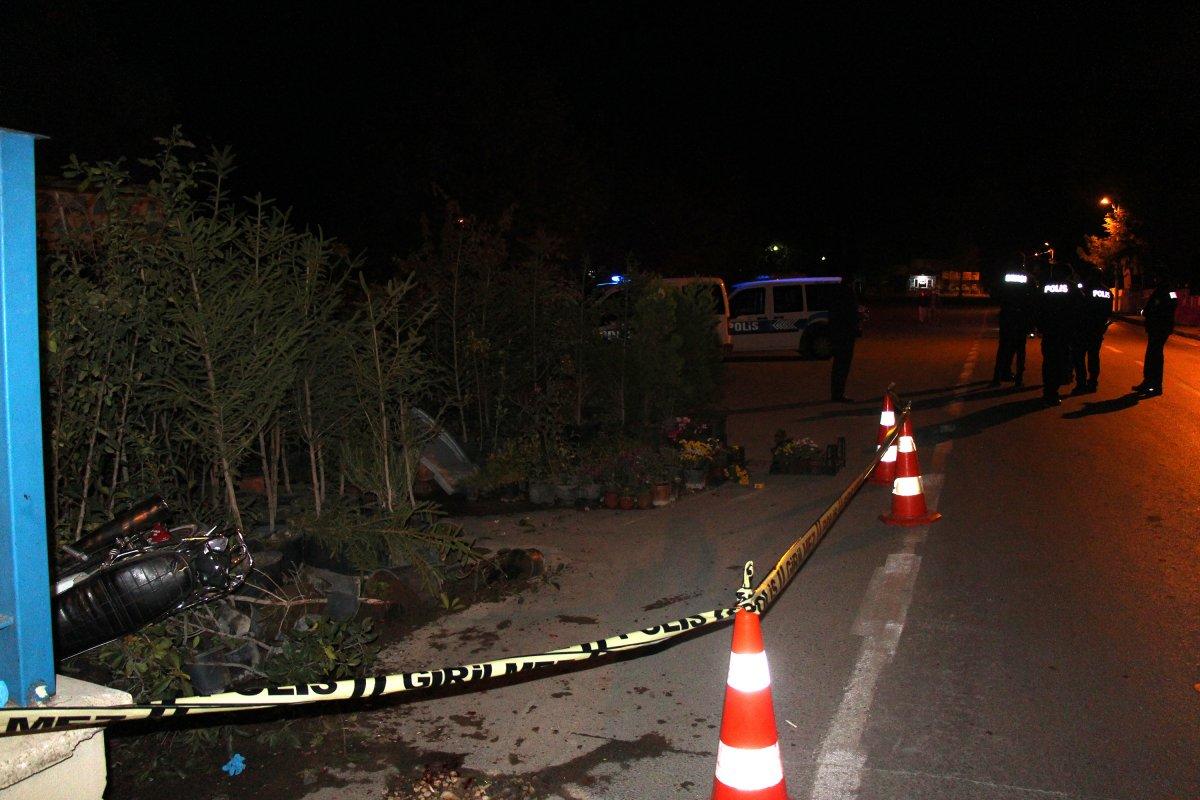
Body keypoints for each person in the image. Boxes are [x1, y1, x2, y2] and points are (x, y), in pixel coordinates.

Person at [1034, 257, 1080, 406]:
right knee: (1062, 360)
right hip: (1065, 332)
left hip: (1049, 330)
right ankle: (1054, 390)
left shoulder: (1045, 286)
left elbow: (1037, 306)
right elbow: (1081, 309)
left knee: (1048, 361)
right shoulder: (1073, 287)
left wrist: (1039, 326)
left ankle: (1049, 391)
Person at [1132, 277, 1179, 396]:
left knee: (1154, 356)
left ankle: (1154, 384)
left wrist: (1149, 311)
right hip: (1159, 327)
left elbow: (1159, 307)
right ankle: (1149, 382)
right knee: (1153, 355)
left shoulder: (1164, 291)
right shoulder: (1165, 290)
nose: (1154, 279)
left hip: (1159, 327)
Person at [1069, 265, 1112, 394]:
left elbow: (1076, 308)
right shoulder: (1107, 292)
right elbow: (1108, 311)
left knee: (1079, 357)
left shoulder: (1084, 289)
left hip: (1082, 328)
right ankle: (1093, 383)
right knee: (1094, 357)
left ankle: (1081, 384)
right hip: (1097, 329)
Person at [990, 267, 1035, 387]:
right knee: (1020, 348)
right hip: (1021, 316)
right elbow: (1033, 298)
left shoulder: (1005, 276)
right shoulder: (1028, 277)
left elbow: (996, 292)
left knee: (1003, 347)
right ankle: (1019, 379)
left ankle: (997, 378)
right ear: (1023, 263)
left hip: (1007, 315)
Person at [827, 275, 861, 402]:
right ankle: (838, 394)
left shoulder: (836, 294)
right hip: (845, 335)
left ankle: (836, 393)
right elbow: (850, 315)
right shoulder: (847, 295)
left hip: (838, 334)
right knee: (842, 366)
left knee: (838, 366)